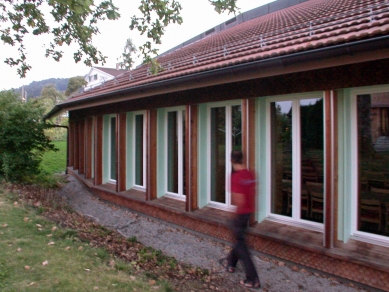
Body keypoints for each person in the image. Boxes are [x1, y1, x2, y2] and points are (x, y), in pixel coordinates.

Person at [220, 150, 261, 289]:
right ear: (242, 159)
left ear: (231, 160)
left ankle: (252, 278)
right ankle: (230, 263)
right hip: (249, 213)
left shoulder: (235, 177)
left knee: (241, 245)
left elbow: (239, 200)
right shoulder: (251, 174)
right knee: (239, 240)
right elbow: (254, 192)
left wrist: (232, 216)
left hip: (241, 214)